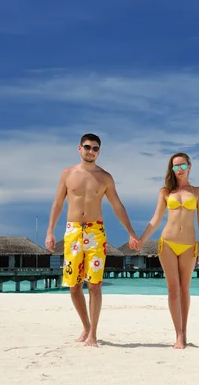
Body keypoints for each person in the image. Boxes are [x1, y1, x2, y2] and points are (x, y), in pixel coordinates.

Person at [45, 132, 140, 347]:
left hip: (96, 232)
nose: (91, 151)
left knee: (94, 284)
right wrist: (50, 231)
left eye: (95, 148)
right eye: (87, 147)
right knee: (73, 286)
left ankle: (93, 334)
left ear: (99, 151)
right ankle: (85, 326)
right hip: (72, 231)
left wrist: (131, 232)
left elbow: (117, 206)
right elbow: (57, 203)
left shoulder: (105, 177)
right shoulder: (67, 174)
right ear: (79, 149)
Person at [136, 152, 199, 349]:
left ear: (190, 166)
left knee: (185, 290)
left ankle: (184, 333)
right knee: (173, 289)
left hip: (189, 245)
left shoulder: (198, 192)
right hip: (167, 243)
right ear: (172, 169)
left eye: (183, 165)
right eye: (176, 166)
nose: (180, 169)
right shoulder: (166, 192)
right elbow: (156, 219)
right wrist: (141, 239)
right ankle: (178, 335)